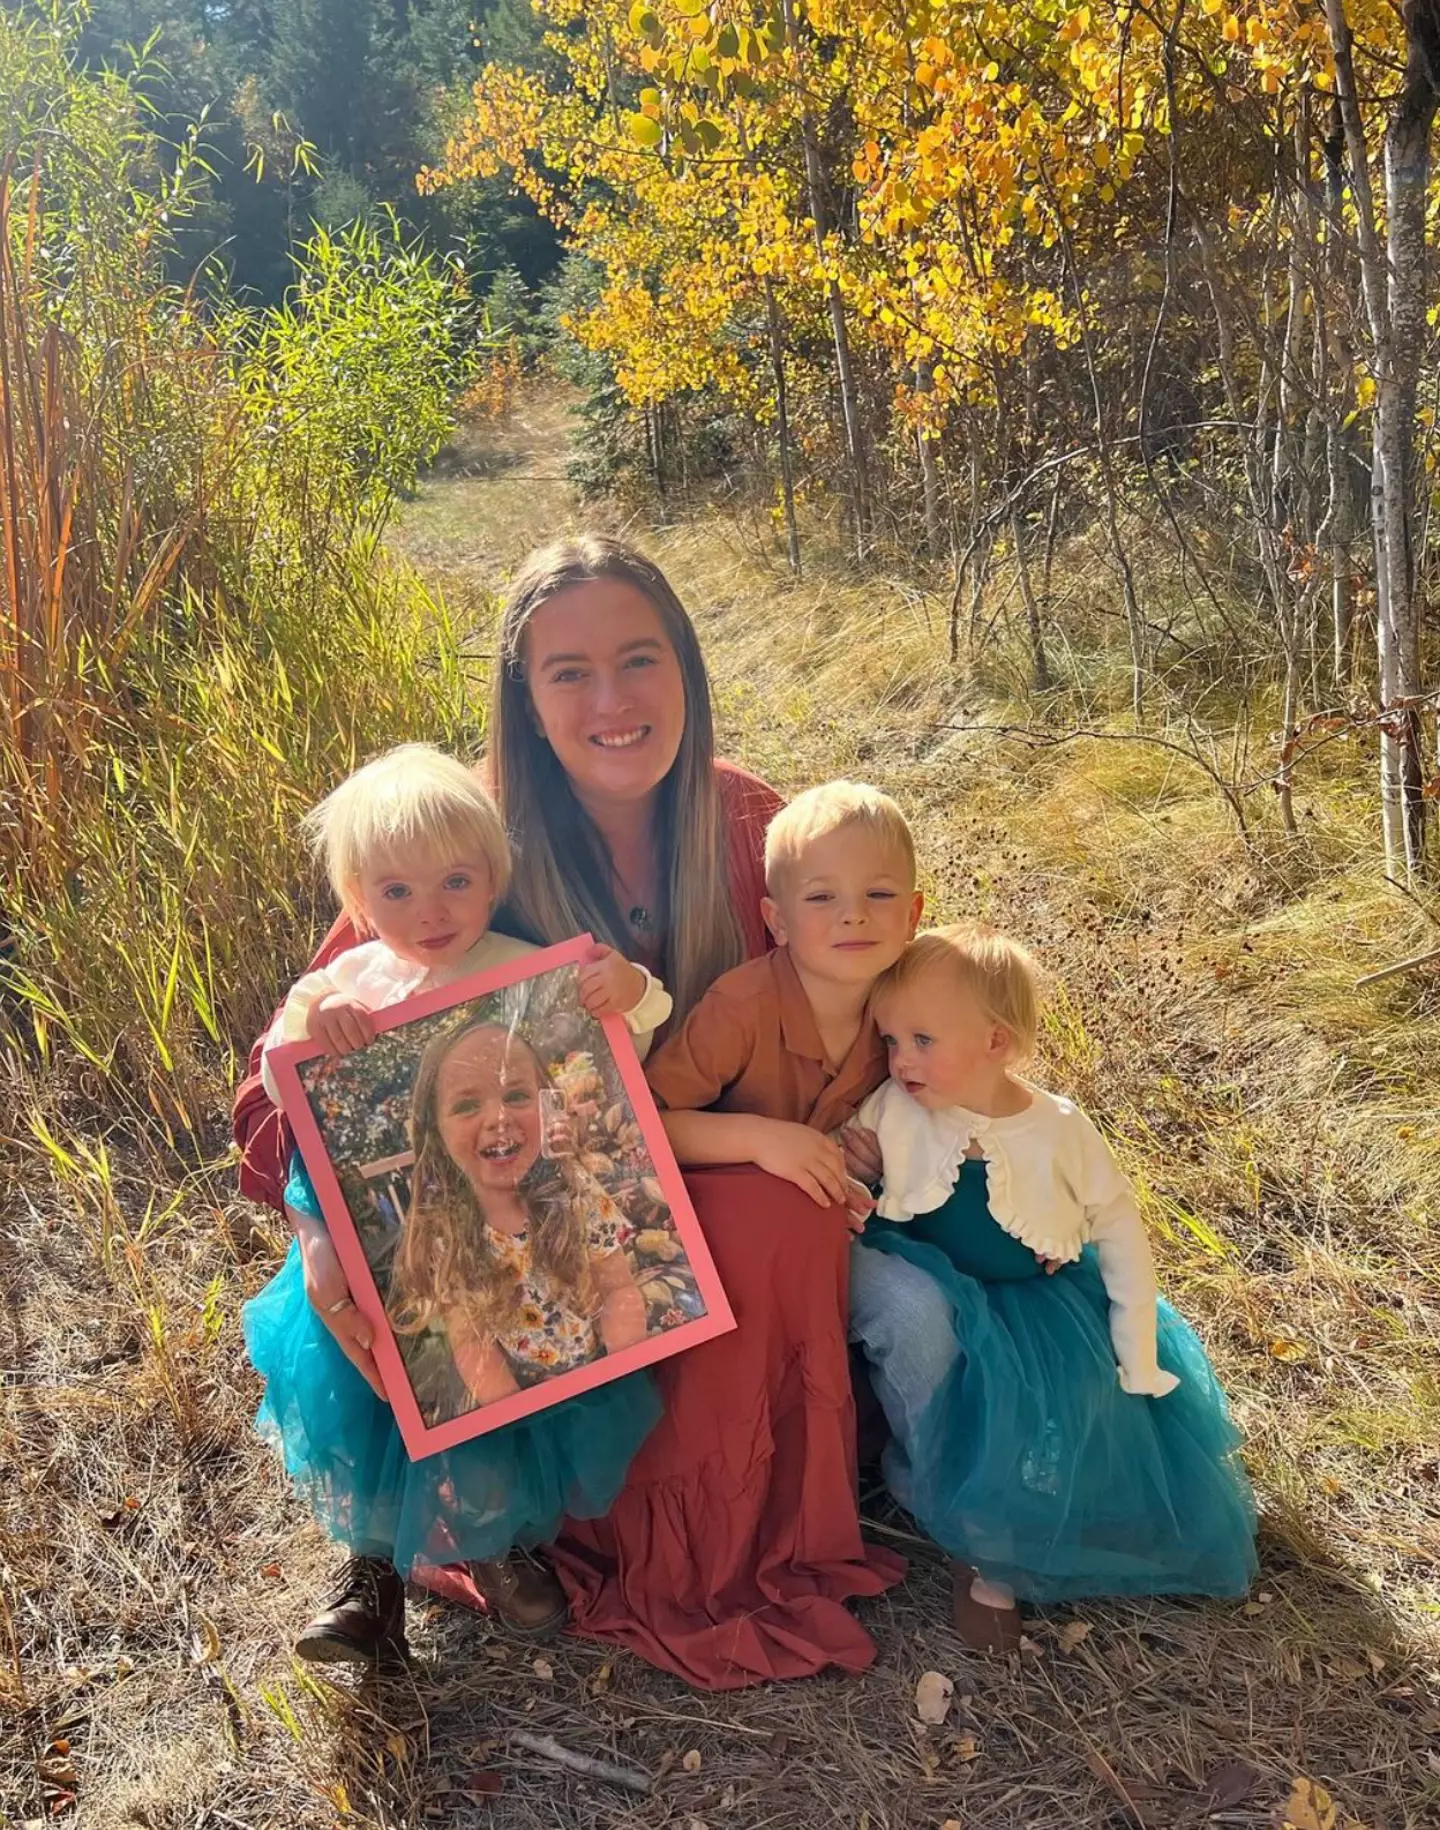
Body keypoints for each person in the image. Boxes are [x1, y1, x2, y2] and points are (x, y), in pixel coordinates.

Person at [233, 535, 904, 1688]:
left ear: (688, 671)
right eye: (567, 673)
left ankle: (738, 1527)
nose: (611, 701)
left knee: (776, 1221)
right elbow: (298, 1070)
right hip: (513, 1186)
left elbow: (881, 983)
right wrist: (317, 1221)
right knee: (415, 1274)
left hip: (700, 1166)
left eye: (640, 660)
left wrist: (869, 1121)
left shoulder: (750, 821)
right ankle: (459, 1543)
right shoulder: (457, 842)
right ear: (523, 700)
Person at [243, 744, 667, 1660]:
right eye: (395, 892)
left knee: (493, 1382)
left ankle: (500, 1544)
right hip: (379, 1239)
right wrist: (313, 1028)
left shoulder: (524, 967)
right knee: (379, 1393)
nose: (429, 913)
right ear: (358, 897)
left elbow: (639, 1017)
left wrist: (622, 985)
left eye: (455, 882)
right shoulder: (343, 984)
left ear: (493, 878)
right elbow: (286, 1085)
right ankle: (370, 1581)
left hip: (496, 1229)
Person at [849, 922, 1259, 1652]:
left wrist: (1136, 1345)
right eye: (889, 1040)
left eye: (921, 1041)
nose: (899, 1060)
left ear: (995, 1043)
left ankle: (1050, 1533)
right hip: (942, 1281)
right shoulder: (895, 1106)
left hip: (1042, 1304)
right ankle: (982, 1553)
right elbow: (853, 1154)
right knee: (974, 1405)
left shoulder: (1059, 1129)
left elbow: (1118, 1227)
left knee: (1061, 1412)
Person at [646, 781, 922, 1220]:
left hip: (862, 1211)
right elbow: (644, 1125)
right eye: (821, 897)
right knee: (911, 1296)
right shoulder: (741, 1007)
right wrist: (760, 1139)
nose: (854, 914)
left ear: (912, 915)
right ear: (778, 921)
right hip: (738, 1216)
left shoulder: (913, 999)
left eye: (880, 894)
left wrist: (883, 1155)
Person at [397, 1020, 647, 1411]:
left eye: (516, 1095)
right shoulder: (447, 1232)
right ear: (435, 1134)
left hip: (604, 1373)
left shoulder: (575, 1192)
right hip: (523, 1397)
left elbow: (618, 1288)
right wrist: (519, 1417)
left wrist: (624, 1371)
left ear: (547, 1105)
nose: (499, 1118)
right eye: (466, 1105)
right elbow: (470, 1341)